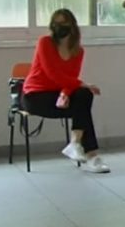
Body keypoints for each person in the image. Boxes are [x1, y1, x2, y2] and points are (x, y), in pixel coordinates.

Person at [23, 9, 108, 174]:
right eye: (56, 23)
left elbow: (71, 78)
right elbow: (52, 74)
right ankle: (90, 154)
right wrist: (82, 84)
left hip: (58, 95)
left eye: (63, 23)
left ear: (72, 26)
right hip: (35, 96)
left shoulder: (78, 51)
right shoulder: (45, 43)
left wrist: (66, 93)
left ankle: (76, 144)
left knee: (84, 96)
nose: (59, 27)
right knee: (83, 104)